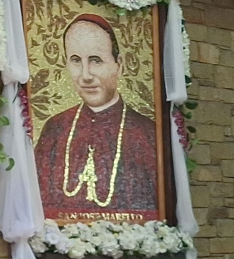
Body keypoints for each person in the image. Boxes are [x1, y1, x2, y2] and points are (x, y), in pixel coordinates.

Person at [34, 13, 162, 222]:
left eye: (96, 60)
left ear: (118, 65)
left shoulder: (147, 134)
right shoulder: (55, 129)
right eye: (76, 60)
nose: (85, 75)